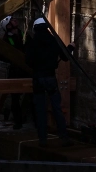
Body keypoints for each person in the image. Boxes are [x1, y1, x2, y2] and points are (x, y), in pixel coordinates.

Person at [24, 17, 73, 146]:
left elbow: (28, 61)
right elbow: (64, 57)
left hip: (38, 78)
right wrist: (70, 47)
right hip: (51, 77)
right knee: (57, 108)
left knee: (40, 110)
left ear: (35, 29)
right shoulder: (53, 40)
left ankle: (43, 139)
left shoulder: (33, 42)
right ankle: (64, 136)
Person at [0, 16, 29, 128]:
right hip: (15, 70)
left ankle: (26, 118)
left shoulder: (23, 34)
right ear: (8, 25)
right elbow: (0, 54)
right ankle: (18, 121)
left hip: (26, 69)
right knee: (15, 97)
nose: (16, 21)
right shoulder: (7, 39)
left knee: (31, 94)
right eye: (12, 21)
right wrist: (11, 60)